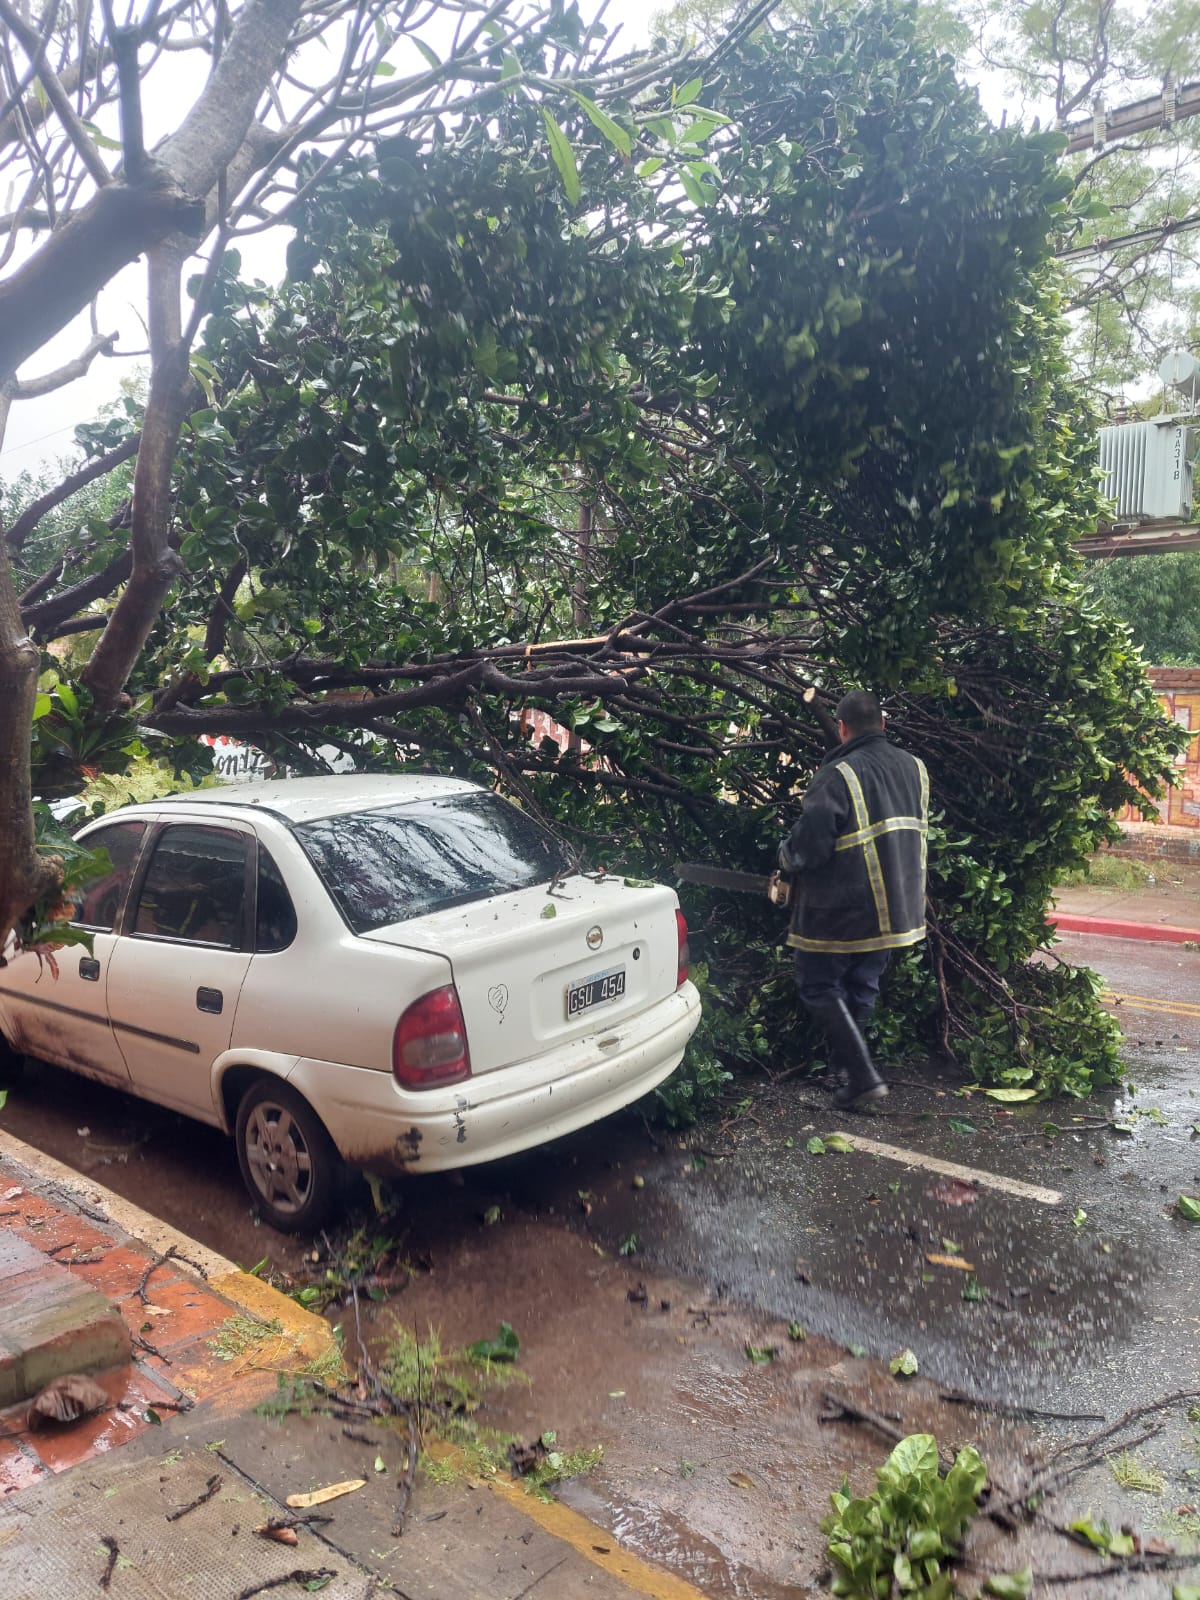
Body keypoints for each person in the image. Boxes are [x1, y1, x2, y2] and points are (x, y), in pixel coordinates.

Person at [778, 690, 928, 1108]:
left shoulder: (837, 774)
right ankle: (846, 1071)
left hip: (843, 908)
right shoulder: (916, 768)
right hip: (897, 907)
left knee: (818, 985)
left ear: (842, 729)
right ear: (883, 723)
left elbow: (812, 846)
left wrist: (786, 858)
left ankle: (861, 1077)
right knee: (862, 984)